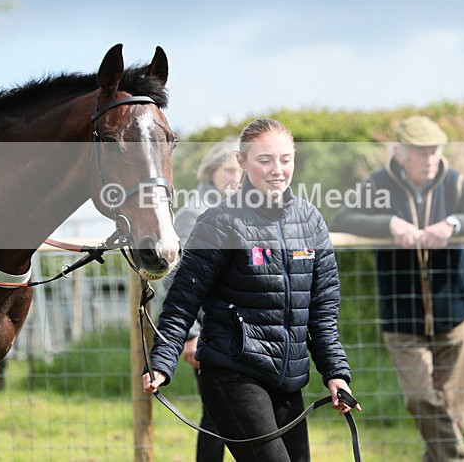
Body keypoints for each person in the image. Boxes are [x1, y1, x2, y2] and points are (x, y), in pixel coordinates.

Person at [143, 118, 359, 462]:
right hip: (232, 374)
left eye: (285, 159)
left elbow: (322, 312)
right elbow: (182, 302)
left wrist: (336, 373)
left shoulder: (311, 220)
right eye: (265, 160)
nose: (277, 170)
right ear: (242, 163)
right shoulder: (218, 222)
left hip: (290, 380)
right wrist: (162, 363)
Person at [330, 115, 464, 462]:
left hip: (455, 317)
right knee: (422, 400)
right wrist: (389, 224)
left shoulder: (454, 183)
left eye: (434, 151)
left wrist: (453, 224)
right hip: (402, 321)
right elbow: (341, 219)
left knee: (450, 419)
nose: (430, 159)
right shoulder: (377, 185)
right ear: (400, 153)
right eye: (421, 152)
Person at [172, 139, 240, 462]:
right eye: (229, 170)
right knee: (215, 415)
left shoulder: (240, 207)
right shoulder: (192, 214)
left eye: (240, 170)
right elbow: (182, 280)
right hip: (208, 332)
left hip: (238, 331)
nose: (235, 177)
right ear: (211, 171)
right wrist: (191, 334)